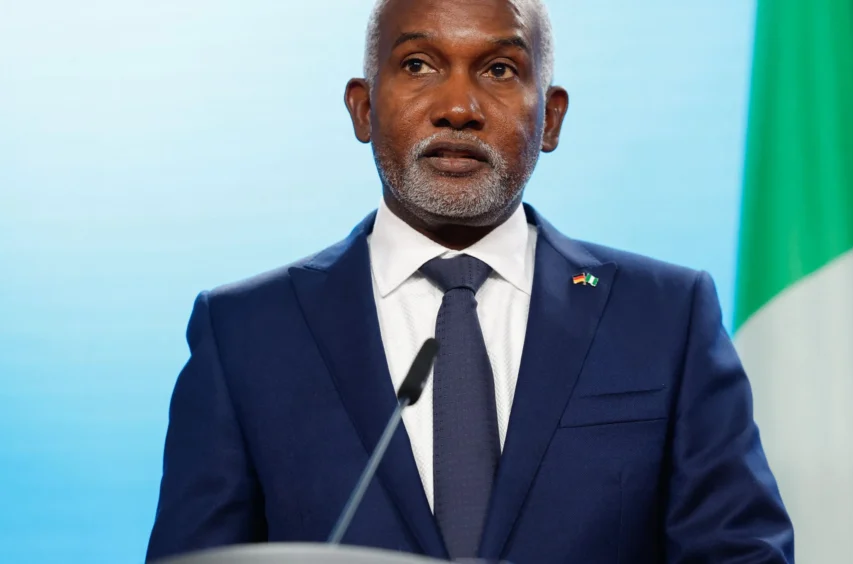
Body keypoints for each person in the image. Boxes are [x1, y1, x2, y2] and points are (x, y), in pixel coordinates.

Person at [145, 0, 795, 562]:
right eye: (418, 65)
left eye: (499, 70)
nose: (457, 107)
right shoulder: (246, 333)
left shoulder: (665, 317)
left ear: (551, 118)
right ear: (363, 108)